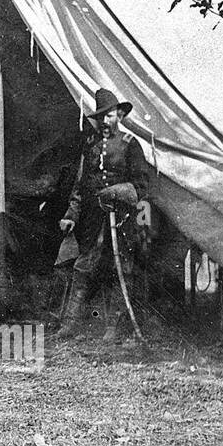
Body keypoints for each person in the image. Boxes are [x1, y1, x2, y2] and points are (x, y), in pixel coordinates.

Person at [56, 88, 151, 340]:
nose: (105, 122)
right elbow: (80, 185)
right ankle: (70, 323)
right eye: (101, 118)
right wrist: (70, 215)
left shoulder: (131, 145)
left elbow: (142, 186)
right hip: (93, 220)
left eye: (110, 116)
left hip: (121, 219)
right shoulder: (91, 146)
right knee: (83, 267)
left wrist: (118, 191)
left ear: (119, 116)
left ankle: (114, 326)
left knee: (118, 268)